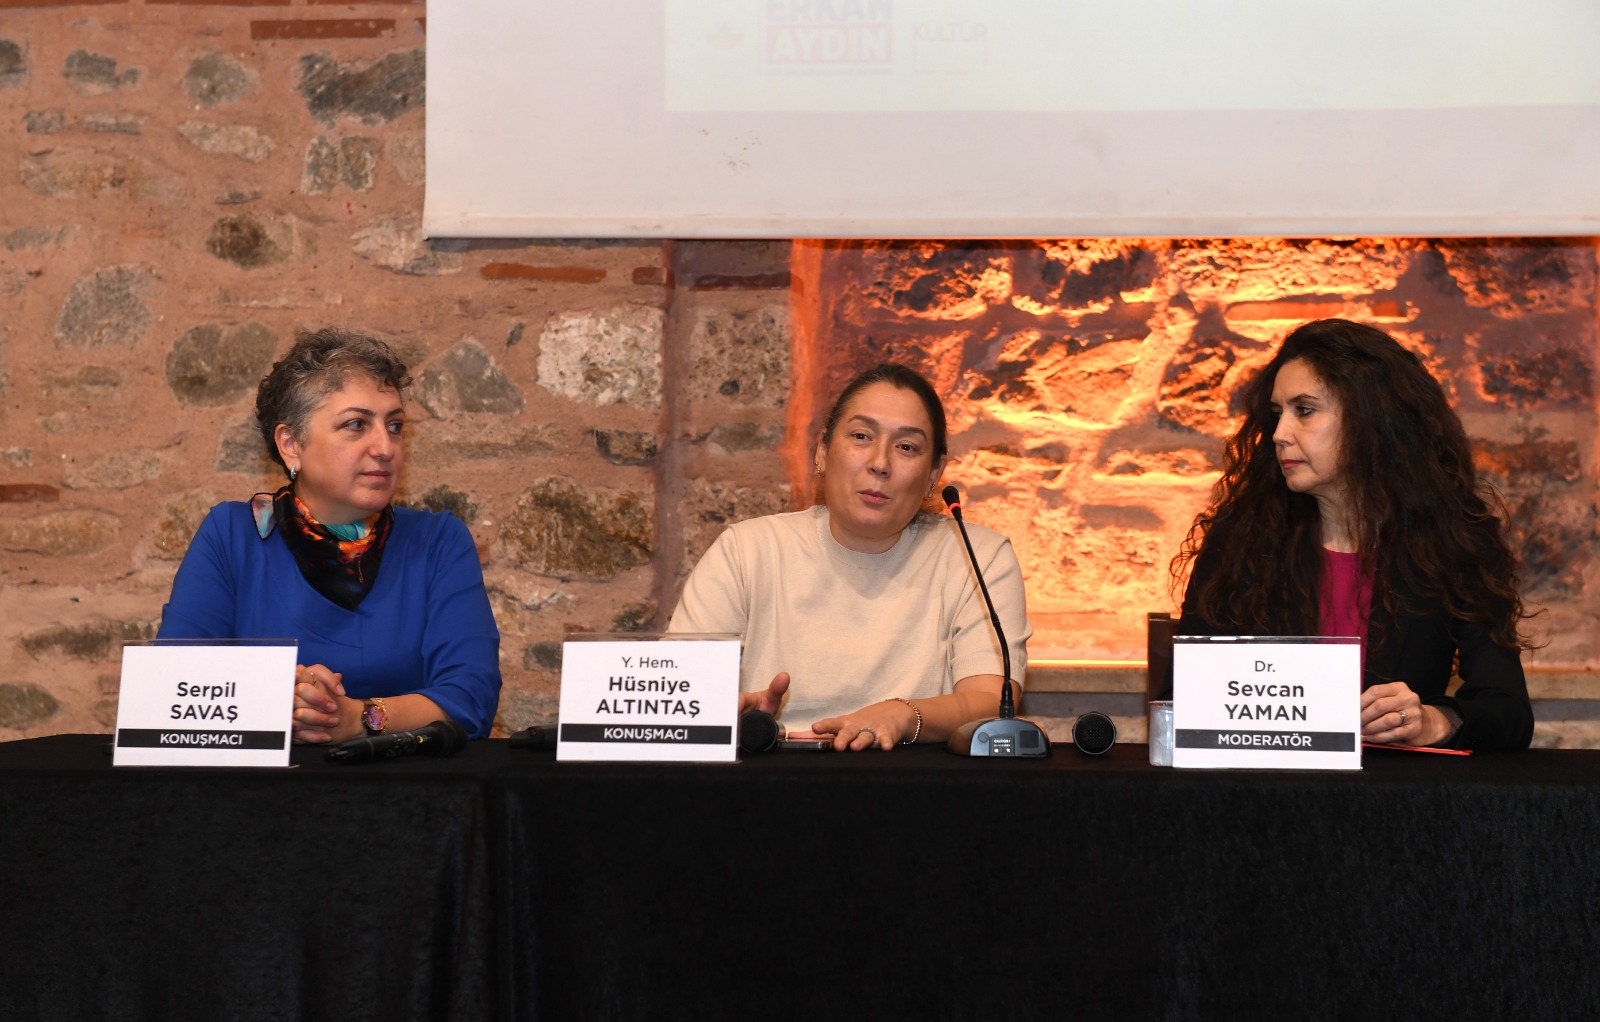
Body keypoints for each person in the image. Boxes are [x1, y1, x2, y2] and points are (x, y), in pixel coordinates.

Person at [1171, 318, 1535, 751]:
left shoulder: (1451, 543)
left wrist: (1436, 721)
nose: (1279, 435)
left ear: (1371, 420)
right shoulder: (1240, 541)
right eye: (1277, 414)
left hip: (1392, 788)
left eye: (1304, 410)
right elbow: (1183, 699)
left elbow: (1508, 710)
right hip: (1263, 785)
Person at [158, 328, 501, 742]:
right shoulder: (231, 537)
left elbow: (471, 700)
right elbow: (175, 690)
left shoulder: (438, 542)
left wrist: (359, 718)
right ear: (291, 444)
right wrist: (279, 697)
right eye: (356, 424)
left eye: (394, 426)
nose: (385, 447)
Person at [668, 363, 1031, 751]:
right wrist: (727, 714)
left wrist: (903, 715)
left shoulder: (978, 557)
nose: (880, 463)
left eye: (906, 447)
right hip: (770, 773)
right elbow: (677, 692)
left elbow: (990, 699)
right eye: (861, 436)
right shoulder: (747, 550)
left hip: (912, 777)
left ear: (933, 474)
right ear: (823, 451)